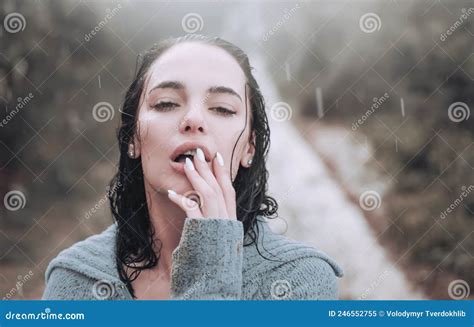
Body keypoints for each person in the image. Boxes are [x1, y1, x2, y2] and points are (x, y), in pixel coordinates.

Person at [42, 34, 343, 300]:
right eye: (166, 103)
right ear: (133, 137)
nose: (194, 119)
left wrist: (212, 255)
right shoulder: (75, 281)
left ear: (249, 148)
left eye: (223, 108)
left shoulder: (300, 280)